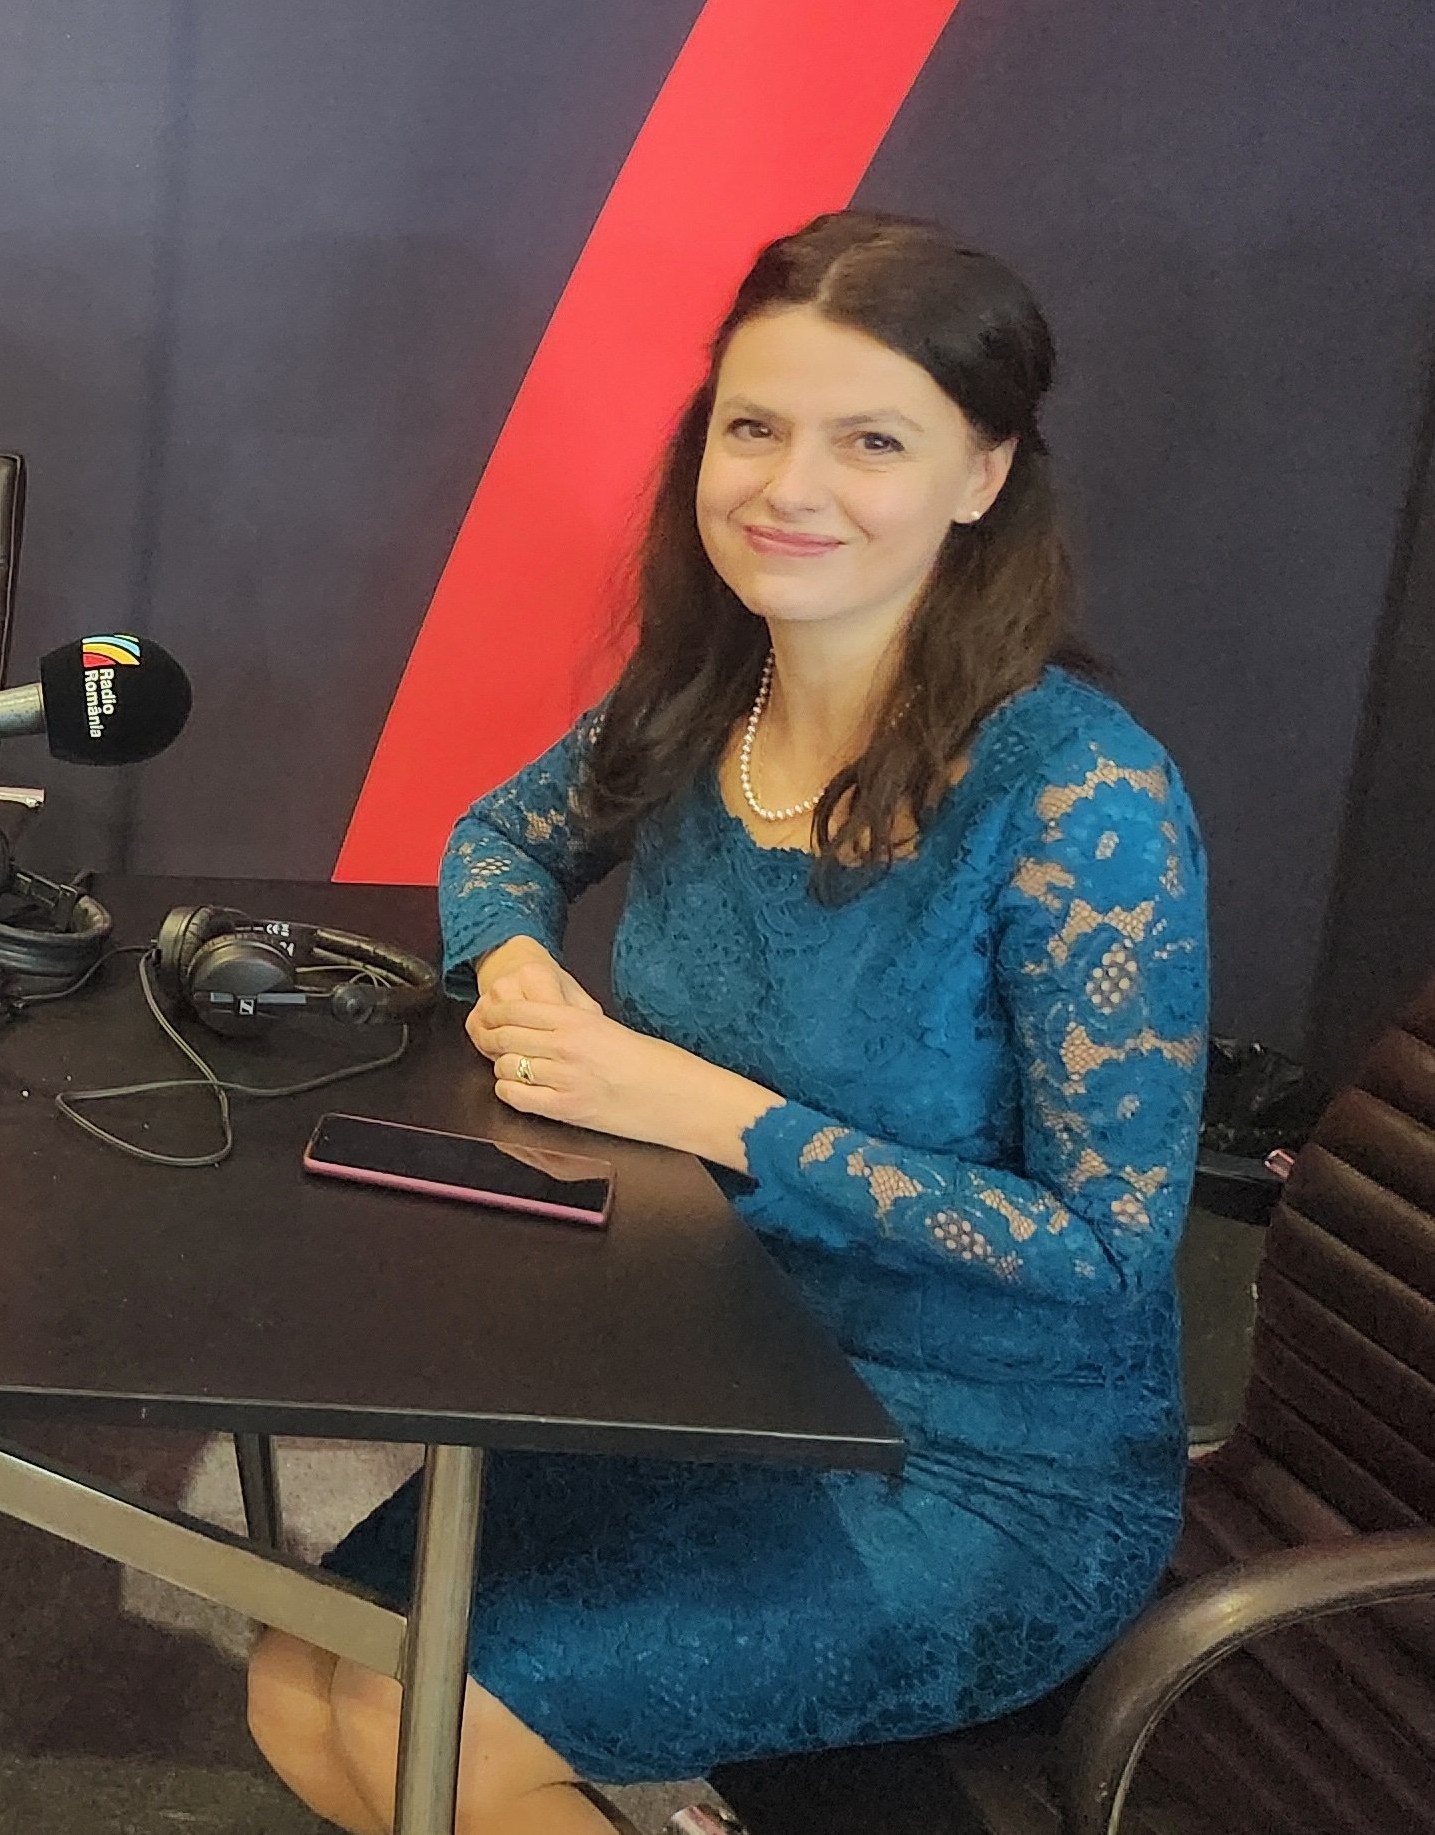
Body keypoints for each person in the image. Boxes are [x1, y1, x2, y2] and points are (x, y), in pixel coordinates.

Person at [245, 213, 1210, 1833]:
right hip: (700, 1366)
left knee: (429, 1730)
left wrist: (709, 1113)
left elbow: (1108, 1249)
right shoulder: (712, 694)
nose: (788, 486)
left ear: (982, 476)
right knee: (303, 1669)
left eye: (871, 441)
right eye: (753, 428)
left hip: (976, 1462)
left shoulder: (1081, 800)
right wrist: (512, 969)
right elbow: (499, 843)